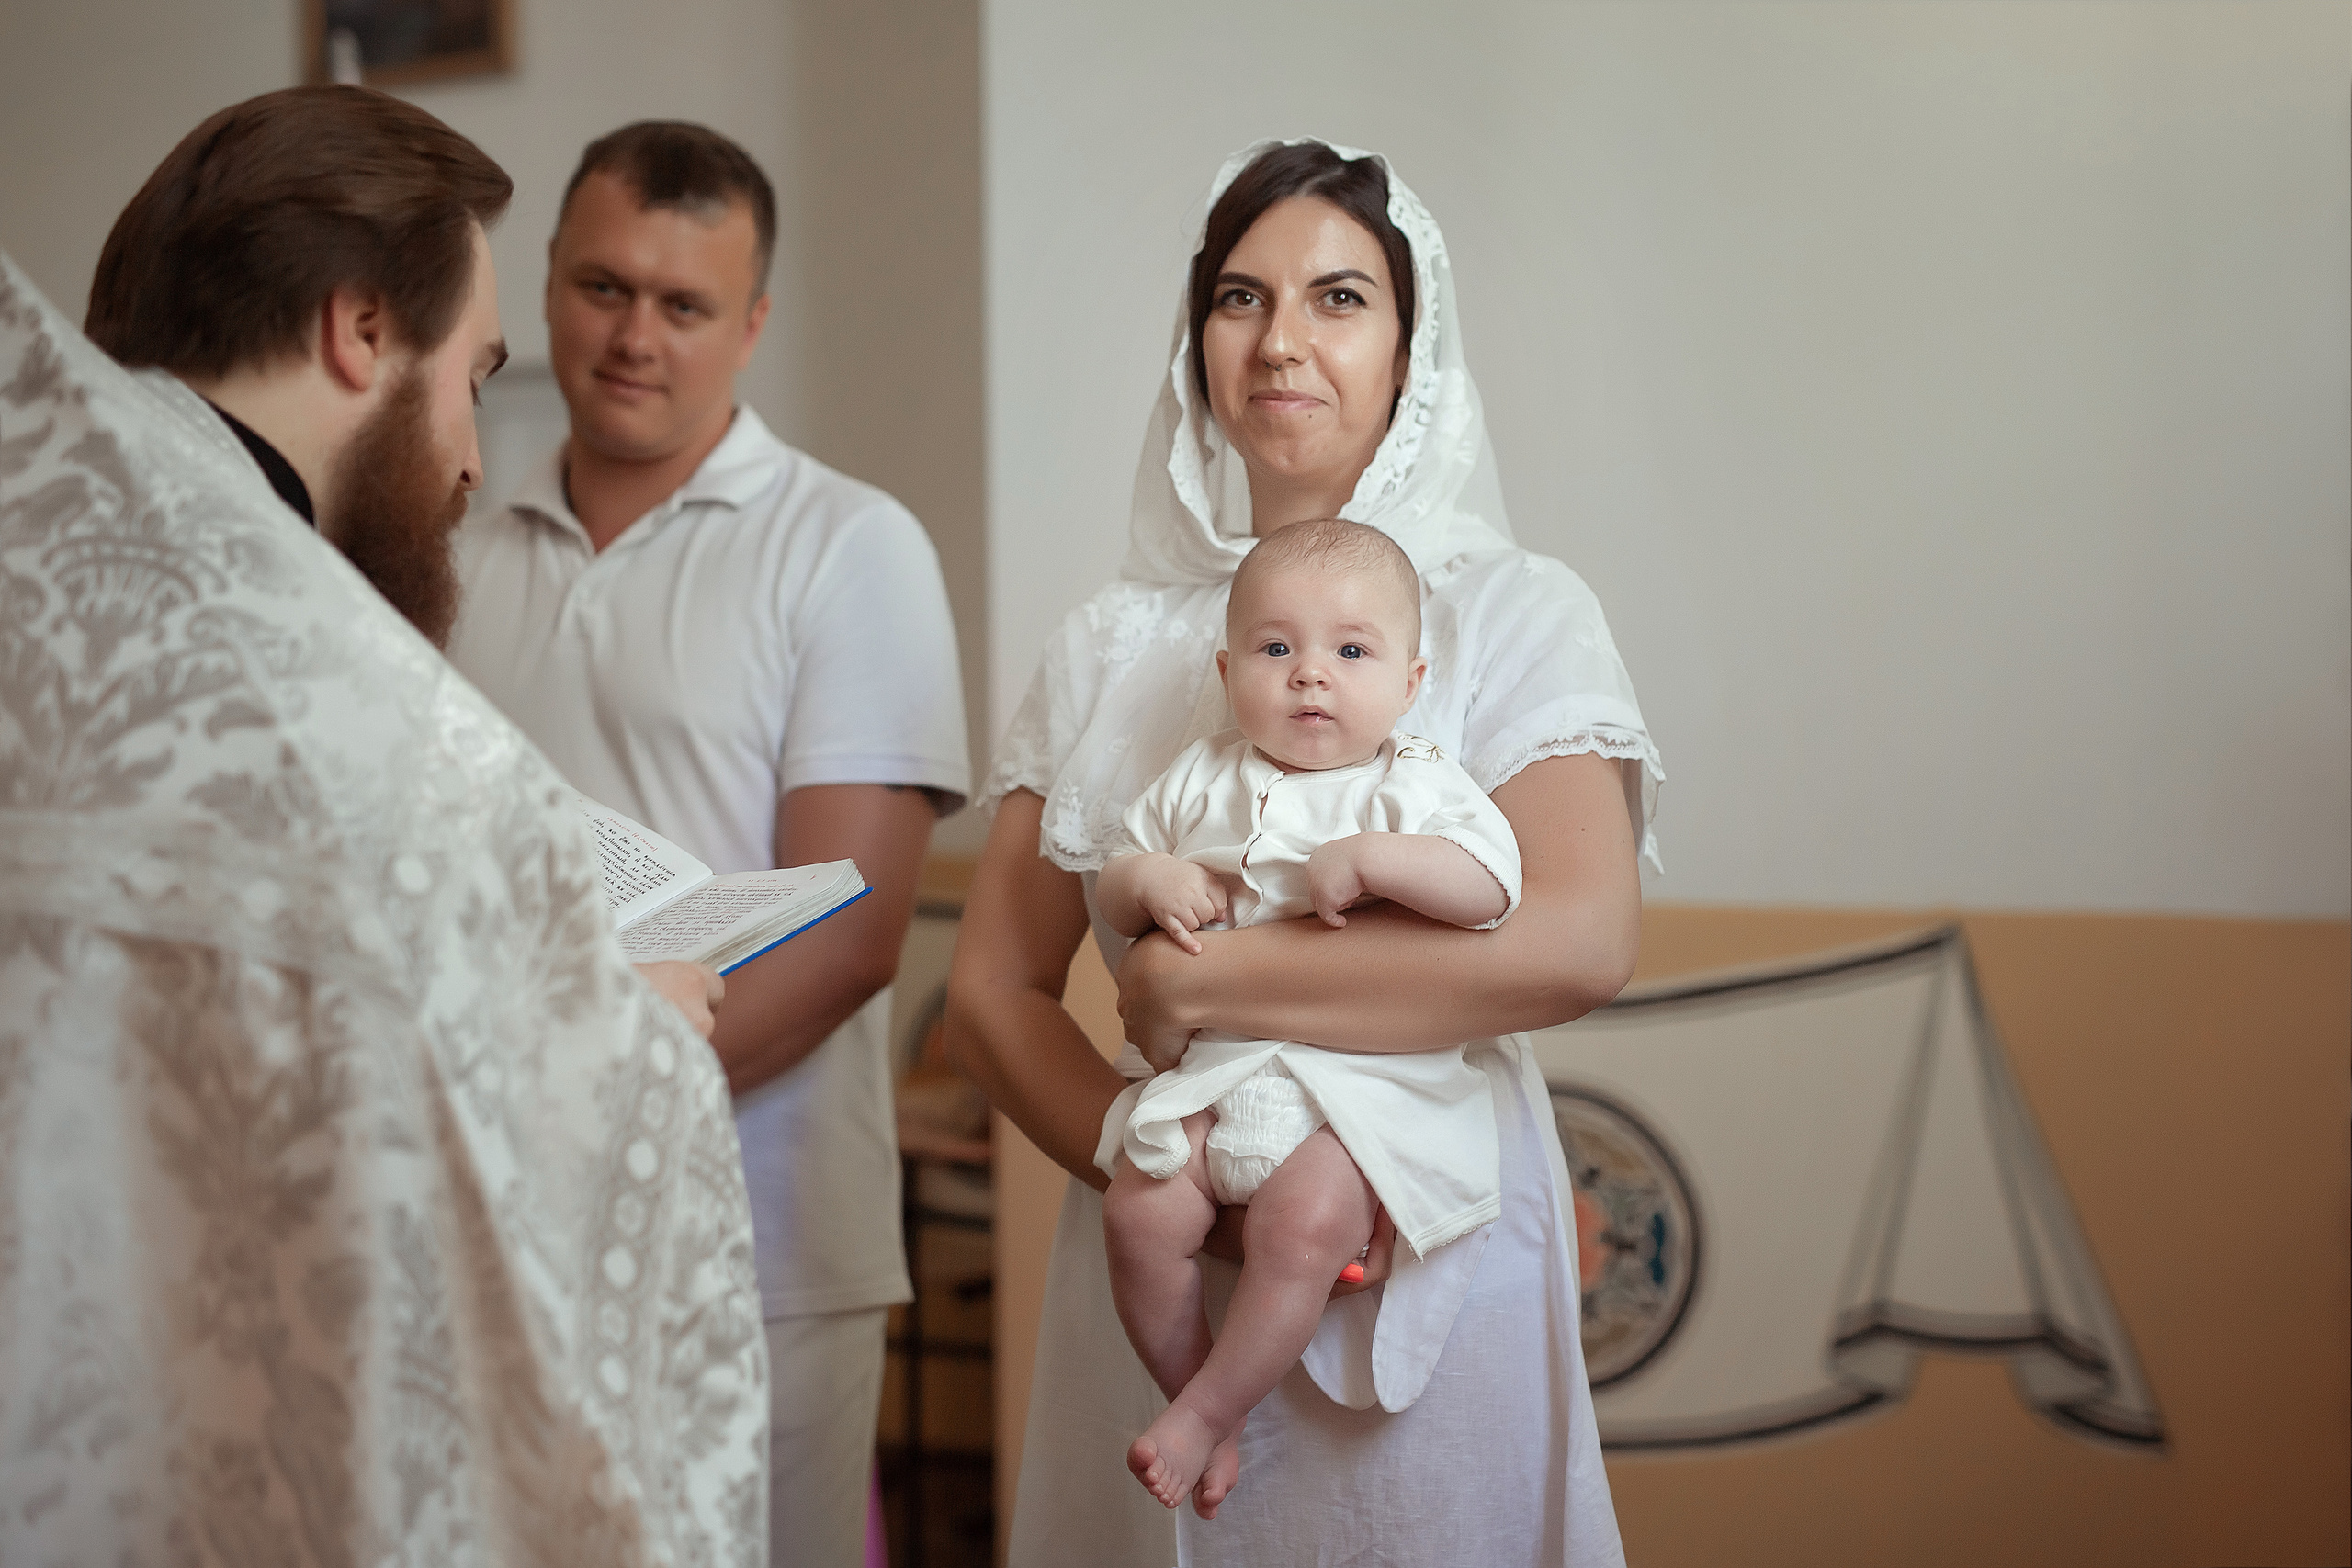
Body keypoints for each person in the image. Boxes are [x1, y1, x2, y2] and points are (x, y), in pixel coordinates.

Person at [0, 86, 763, 1564]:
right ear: (362, 332)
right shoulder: (336, 709)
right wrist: (638, 1029)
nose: (473, 455)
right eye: (474, 374)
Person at [947, 138, 1660, 1565]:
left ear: (1413, 345)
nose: (1281, 340)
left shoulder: (1515, 611)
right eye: (1237, 298)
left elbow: (1578, 939)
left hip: (1416, 1232)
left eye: (1340, 298)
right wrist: (1157, 1177)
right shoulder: (1110, 645)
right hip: (1161, 1225)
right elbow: (990, 992)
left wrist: (1204, 989)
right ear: (1196, 343)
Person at [446, 121, 968, 1567]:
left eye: (683, 305)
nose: (634, 335)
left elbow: (849, 931)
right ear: (543, 282)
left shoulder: (850, 547)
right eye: (604, 286)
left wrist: (586, 1107)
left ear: (752, 323)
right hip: (494, 1202)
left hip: (762, 1227)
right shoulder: (452, 539)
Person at [1097, 516, 1525, 1515]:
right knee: (1139, 1212)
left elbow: (1490, 886)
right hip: (1212, 1073)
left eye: (1350, 651)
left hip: (1356, 1085)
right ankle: (1202, 1398)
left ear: (1410, 684)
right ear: (1227, 667)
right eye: (1276, 647)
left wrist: (1382, 860)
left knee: (1303, 1228)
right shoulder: (1198, 776)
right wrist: (1150, 879)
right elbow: (1120, 876)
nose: (1309, 676)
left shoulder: (1412, 784)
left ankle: (1207, 1412)